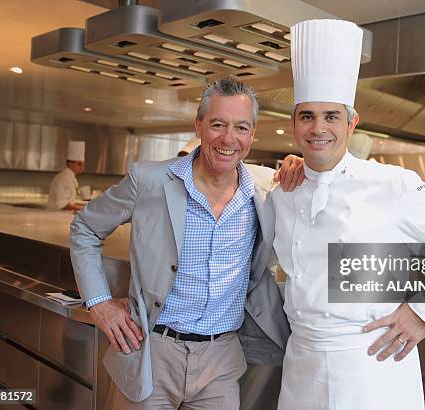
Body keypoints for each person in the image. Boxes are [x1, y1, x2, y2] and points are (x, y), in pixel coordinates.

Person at [271, 19, 425, 409]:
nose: (318, 128)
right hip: (302, 365)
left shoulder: (391, 184)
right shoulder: (281, 191)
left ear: (352, 122)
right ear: (293, 123)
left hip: (370, 364)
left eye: (331, 116)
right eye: (307, 115)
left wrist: (422, 315)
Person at [70, 78, 303, 409]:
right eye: (217, 125)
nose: (228, 138)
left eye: (241, 127)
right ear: (199, 125)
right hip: (151, 352)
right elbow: (85, 229)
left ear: (252, 134)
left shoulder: (265, 189)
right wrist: (99, 303)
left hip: (221, 360)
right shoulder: (149, 180)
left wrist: (300, 162)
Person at [48, 140, 86, 211]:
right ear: (70, 163)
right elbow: (63, 205)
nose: (82, 167)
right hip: (57, 218)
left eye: (83, 164)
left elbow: (69, 202)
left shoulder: (69, 177)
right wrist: (83, 208)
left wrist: (85, 206)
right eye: (79, 164)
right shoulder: (64, 179)